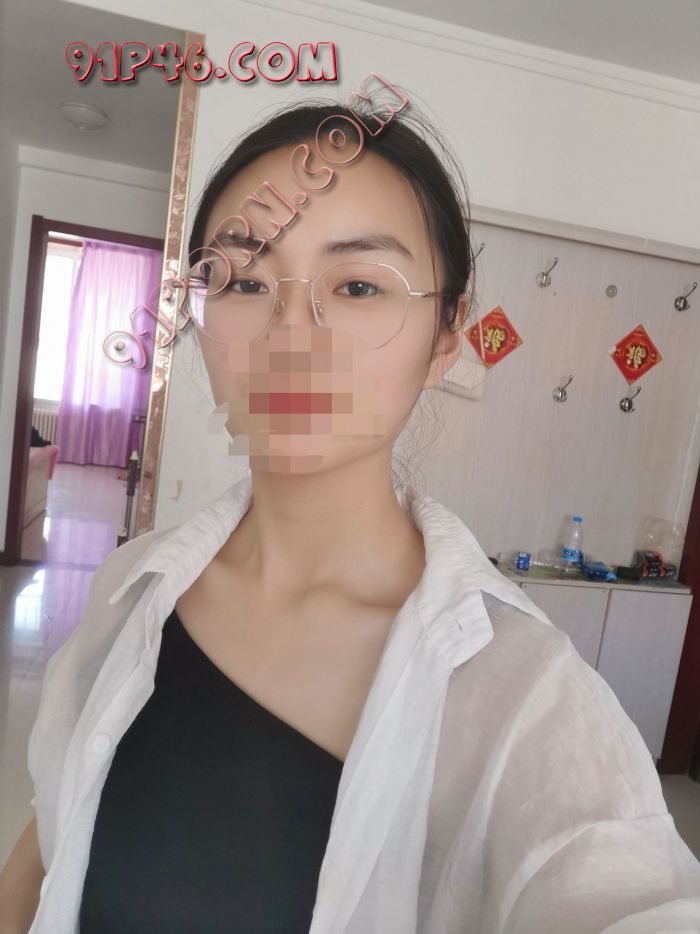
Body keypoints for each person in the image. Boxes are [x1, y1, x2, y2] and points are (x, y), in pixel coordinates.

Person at [2, 88, 699, 934]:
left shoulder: (528, 704)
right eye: (245, 280)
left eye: (360, 285)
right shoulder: (129, 586)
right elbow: (53, 835)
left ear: (446, 337)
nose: (292, 335)